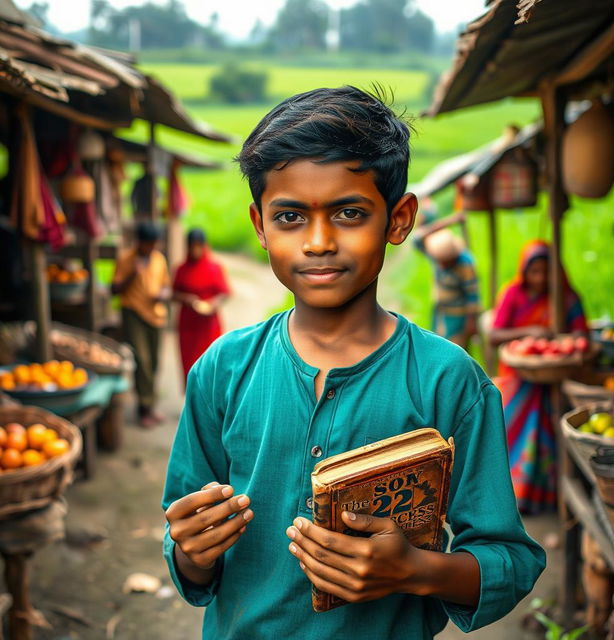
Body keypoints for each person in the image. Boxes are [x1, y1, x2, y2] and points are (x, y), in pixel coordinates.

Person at [162, 86, 544, 640]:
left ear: (399, 218)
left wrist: (417, 570)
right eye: (290, 216)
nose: (318, 242)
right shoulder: (222, 369)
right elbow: (186, 545)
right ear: (260, 226)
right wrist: (192, 551)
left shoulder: (448, 381)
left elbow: (511, 560)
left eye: (348, 212)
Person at [490, 240, 588, 514]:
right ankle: (516, 497)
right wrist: (530, 332)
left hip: (558, 374)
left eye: (547, 271)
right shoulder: (514, 295)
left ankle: (551, 495)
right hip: (519, 375)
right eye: (535, 272)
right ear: (525, 272)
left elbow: (582, 333)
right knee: (515, 420)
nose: (541, 278)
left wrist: (569, 344)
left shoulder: (566, 297)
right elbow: (495, 335)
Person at [112, 221, 170, 428]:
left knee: (154, 362)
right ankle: (143, 409)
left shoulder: (158, 259)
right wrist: (132, 275)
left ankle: (151, 405)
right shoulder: (126, 259)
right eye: (149, 244)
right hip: (134, 313)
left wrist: (162, 294)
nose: (152, 247)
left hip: (155, 315)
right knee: (142, 361)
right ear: (140, 242)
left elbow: (165, 285)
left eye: (155, 244)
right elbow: (114, 290)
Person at [413, 212, 480, 350]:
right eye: (440, 262)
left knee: (454, 351)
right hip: (440, 312)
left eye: (446, 262)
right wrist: (449, 221)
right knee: (437, 348)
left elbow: (473, 295)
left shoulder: (465, 263)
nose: (442, 266)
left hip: (458, 316)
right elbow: (416, 239)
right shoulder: (437, 255)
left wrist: (471, 321)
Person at [172, 228, 230, 384]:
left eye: (198, 246)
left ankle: (211, 404)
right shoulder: (181, 269)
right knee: (190, 363)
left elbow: (225, 292)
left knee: (211, 362)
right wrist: (186, 298)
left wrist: (213, 304)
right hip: (188, 324)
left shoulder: (214, 268)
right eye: (192, 246)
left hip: (209, 325)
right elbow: (173, 293)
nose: (195, 250)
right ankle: (192, 402)